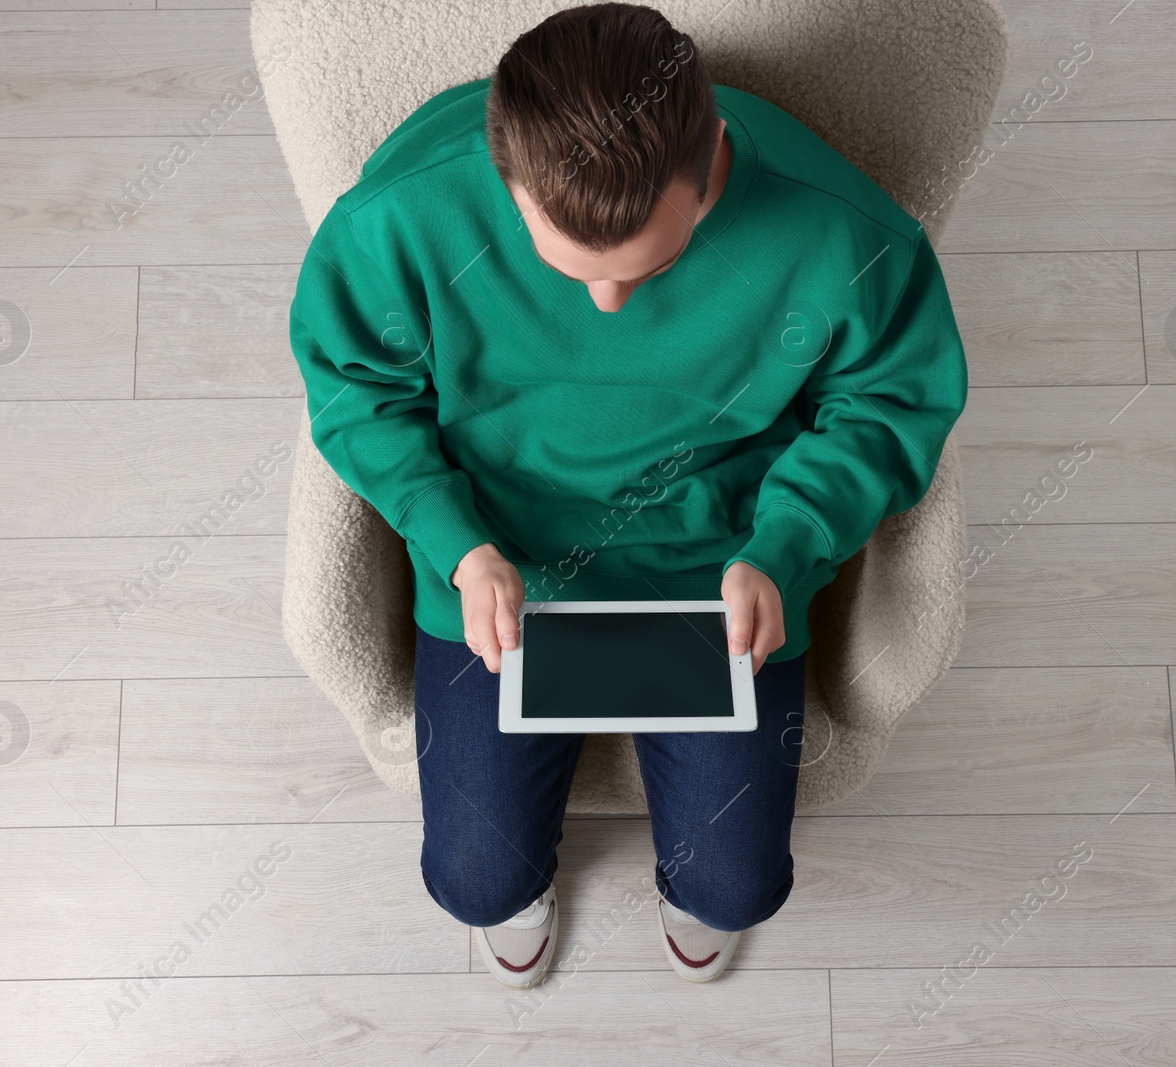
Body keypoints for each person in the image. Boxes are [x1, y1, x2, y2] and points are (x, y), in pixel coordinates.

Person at [288, 2, 968, 988]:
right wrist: (455, 542)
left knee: (734, 888)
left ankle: (693, 881)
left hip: (720, 562)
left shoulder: (844, 234)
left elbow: (888, 406)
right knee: (475, 882)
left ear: (711, 167)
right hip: (496, 553)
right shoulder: (400, 216)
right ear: (506, 179)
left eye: (650, 267)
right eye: (576, 271)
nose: (610, 305)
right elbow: (359, 392)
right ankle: (514, 879)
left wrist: (788, 542)